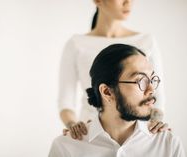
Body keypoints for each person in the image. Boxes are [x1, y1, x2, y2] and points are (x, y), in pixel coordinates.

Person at [50, 44, 186, 157]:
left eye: (152, 79)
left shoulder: (168, 145)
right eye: (140, 80)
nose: (151, 89)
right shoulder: (65, 148)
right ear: (107, 92)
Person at [58, 0, 167, 139]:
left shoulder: (146, 41)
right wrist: (73, 126)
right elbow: (65, 101)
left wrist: (156, 124)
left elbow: (157, 96)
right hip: (88, 134)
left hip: (138, 135)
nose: (128, 2)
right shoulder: (76, 44)